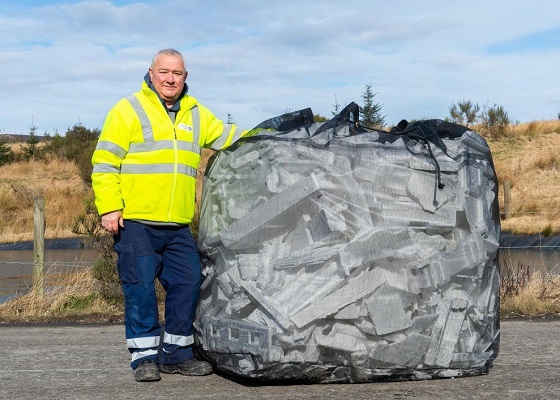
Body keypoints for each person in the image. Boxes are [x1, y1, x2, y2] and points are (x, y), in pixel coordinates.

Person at [91, 48, 249, 382]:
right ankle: (145, 358)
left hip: (176, 224)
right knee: (140, 289)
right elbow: (105, 163)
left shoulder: (196, 114)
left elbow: (231, 138)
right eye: (164, 72)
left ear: (185, 77)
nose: (170, 79)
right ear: (151, 73)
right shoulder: (128, 109)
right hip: (135, 220)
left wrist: (275, 135)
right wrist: (109, 206)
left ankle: (176, 353)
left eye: (177, 73)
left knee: (189, 282)